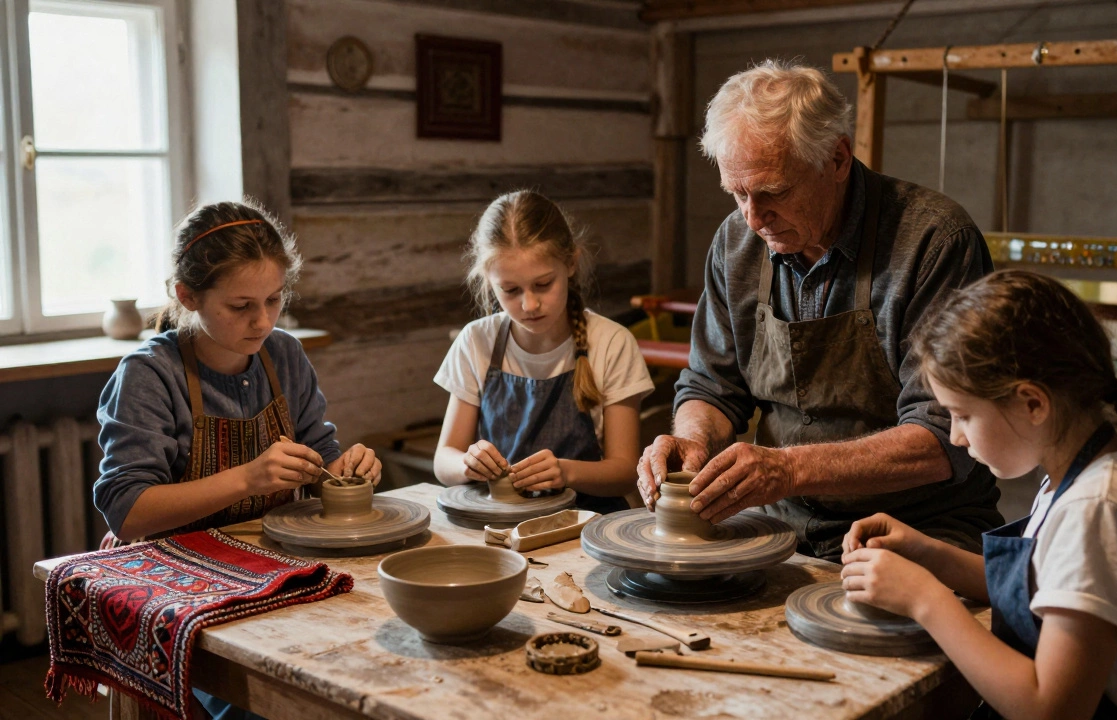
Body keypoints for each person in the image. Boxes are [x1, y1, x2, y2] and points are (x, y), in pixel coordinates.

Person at [840, 270, 1117, 719]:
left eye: (962, 415)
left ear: (1032, 403)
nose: (955, 436)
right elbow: (1041, 585)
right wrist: (927, 554)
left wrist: (926, 600)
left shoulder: (1098, 511)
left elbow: (1052, 708)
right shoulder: (1083, 472)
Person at [637, 59, 1001, 561]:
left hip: (918, 524)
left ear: (837, 158)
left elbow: (944, 437)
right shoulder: (735, 242)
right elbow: (711, 386)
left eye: (773, 192)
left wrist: (787, 469)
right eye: (737, 193)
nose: (753, 217)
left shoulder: (934, 243)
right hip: (780, 516)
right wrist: (693, 440)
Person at [93, 200, 381, 720]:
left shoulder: (285, 355)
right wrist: (248, 478)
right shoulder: (149, 375)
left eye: (274, 299)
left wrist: (343, 473)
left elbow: (320, 453)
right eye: (241, 305)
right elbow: (128, 509)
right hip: (172, 574)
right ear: (187, 296)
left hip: (264, 559)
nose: (263, 320)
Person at [433, 190, 654, 513]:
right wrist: (467, 463)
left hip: (587, 523)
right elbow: (443, 460)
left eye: (543, 284)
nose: (529, 304)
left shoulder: (610, 342)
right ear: (489, 282)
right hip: (501, 522)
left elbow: (624, 472)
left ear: (571, 263)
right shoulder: (477, 341)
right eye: (510, 290)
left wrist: (566, 472)